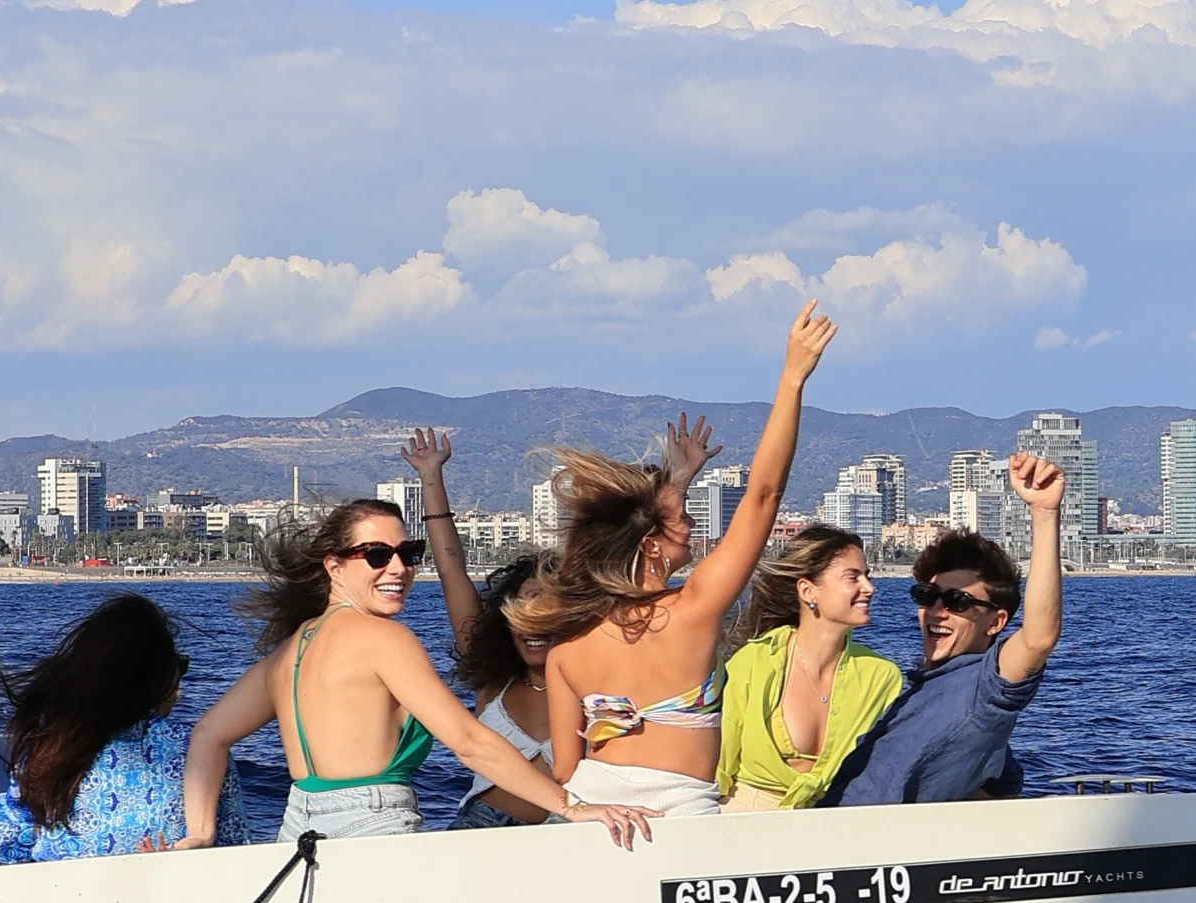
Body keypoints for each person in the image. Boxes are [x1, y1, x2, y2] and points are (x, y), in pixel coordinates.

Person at [507, 302, 838, 819]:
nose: (691, 523)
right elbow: (763, 495)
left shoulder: (567, 649)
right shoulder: (692, 611)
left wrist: (674, 480)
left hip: (594, 816)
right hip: (680, 817)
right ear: (649, 546)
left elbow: (566, 770)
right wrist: (792, 377)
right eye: (682, 516)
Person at [174, 495, 654, 848]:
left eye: (408, 553)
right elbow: (468, 742)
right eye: (377, 555)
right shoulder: (382, 637)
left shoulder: (292, 649)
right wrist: (571, 807)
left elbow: (209, 733)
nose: (399, 568)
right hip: (373, 827)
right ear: (334, 566)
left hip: (298, 827)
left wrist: (200, 832)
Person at [818, 453, 1065, 808]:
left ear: (996, 622)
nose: (936, 611)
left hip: (855, 839)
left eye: (957, 601)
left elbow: (1038, 638)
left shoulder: (985, 686)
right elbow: (1003, 786)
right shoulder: (922, 691)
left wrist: (1044, 514)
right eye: (927, 596)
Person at [0, 593, 250, 865]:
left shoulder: (53, 746)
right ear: (157, 678)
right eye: (177, 667)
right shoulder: (200, 749)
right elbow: (233, 845)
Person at [404, 429, 557, 829]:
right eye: (525, 602)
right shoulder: (494, 680)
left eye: (550, 606)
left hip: (575, 833)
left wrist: (676, 484)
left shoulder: (596, 683)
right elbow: (451, 570)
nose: (535, 618)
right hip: (482, 830)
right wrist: (430, 476)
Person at [715, 525, 903, 811]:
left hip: (832, 820)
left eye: (867, 576)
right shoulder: (754, 662)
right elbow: (719, 763)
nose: (869, 587)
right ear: (807, 590)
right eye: (853, 577)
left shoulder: (882, 677)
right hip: (743, 815)